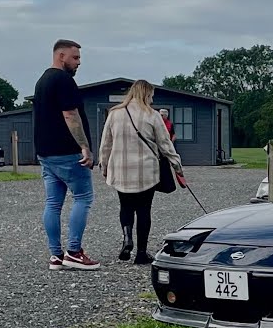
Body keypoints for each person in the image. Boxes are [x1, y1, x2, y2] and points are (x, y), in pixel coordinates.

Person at [101, 80, 187, 263]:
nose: (152, 99)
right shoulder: (152, 115)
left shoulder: (114, 113)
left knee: (125, 206)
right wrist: (177, 165)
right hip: (146, 171)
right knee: (143, 210)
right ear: (146, 94)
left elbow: (106, 143)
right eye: (152, 96)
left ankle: (127, 237)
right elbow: (165, 144)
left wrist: (104, 165)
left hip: (121, 170)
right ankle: (141, 253)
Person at [34, 39, 99, 271]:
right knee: (83, 198)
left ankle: (55, 256)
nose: (79, 62)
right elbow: (71, 115)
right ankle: (74, 251)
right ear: (61, 56)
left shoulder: (42, 81)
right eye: (75, 57)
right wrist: (85, 147)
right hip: (68, 152)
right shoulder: (63, 80)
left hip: (45, 153)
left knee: (53, 203)